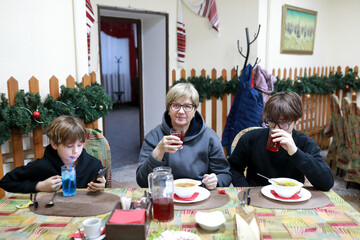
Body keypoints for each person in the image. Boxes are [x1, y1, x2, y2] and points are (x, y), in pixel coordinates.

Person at [229, 91, 334, 191]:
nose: (276, 129)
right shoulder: (250, 138)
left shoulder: (305, 143)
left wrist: (295, 152)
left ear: (296, 120)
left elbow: (326, 183)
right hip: (256, 196)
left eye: (283, 123)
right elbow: (233, 168)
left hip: (290, 197)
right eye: (271, 122)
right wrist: (245, 189)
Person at [136, 83, 231, 190]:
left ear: (194, 110)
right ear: (168, 108)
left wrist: (216, 180)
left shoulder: (210, 137)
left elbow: (225, 175)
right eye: (175, 105)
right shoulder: (154, 136)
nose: (181, 111)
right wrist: (159, 150)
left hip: (200, 194)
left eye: (187, 106)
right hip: (165, 195)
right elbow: (142, 180)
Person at [0, 115, 106, 193]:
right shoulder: (42, 166)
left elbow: (101, 189)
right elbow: (5, 182)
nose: (76, 151)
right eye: (69, 146)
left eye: (80, 145)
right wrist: (40, 186)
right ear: (54, 144)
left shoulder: (94, 164)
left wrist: (101, 186)